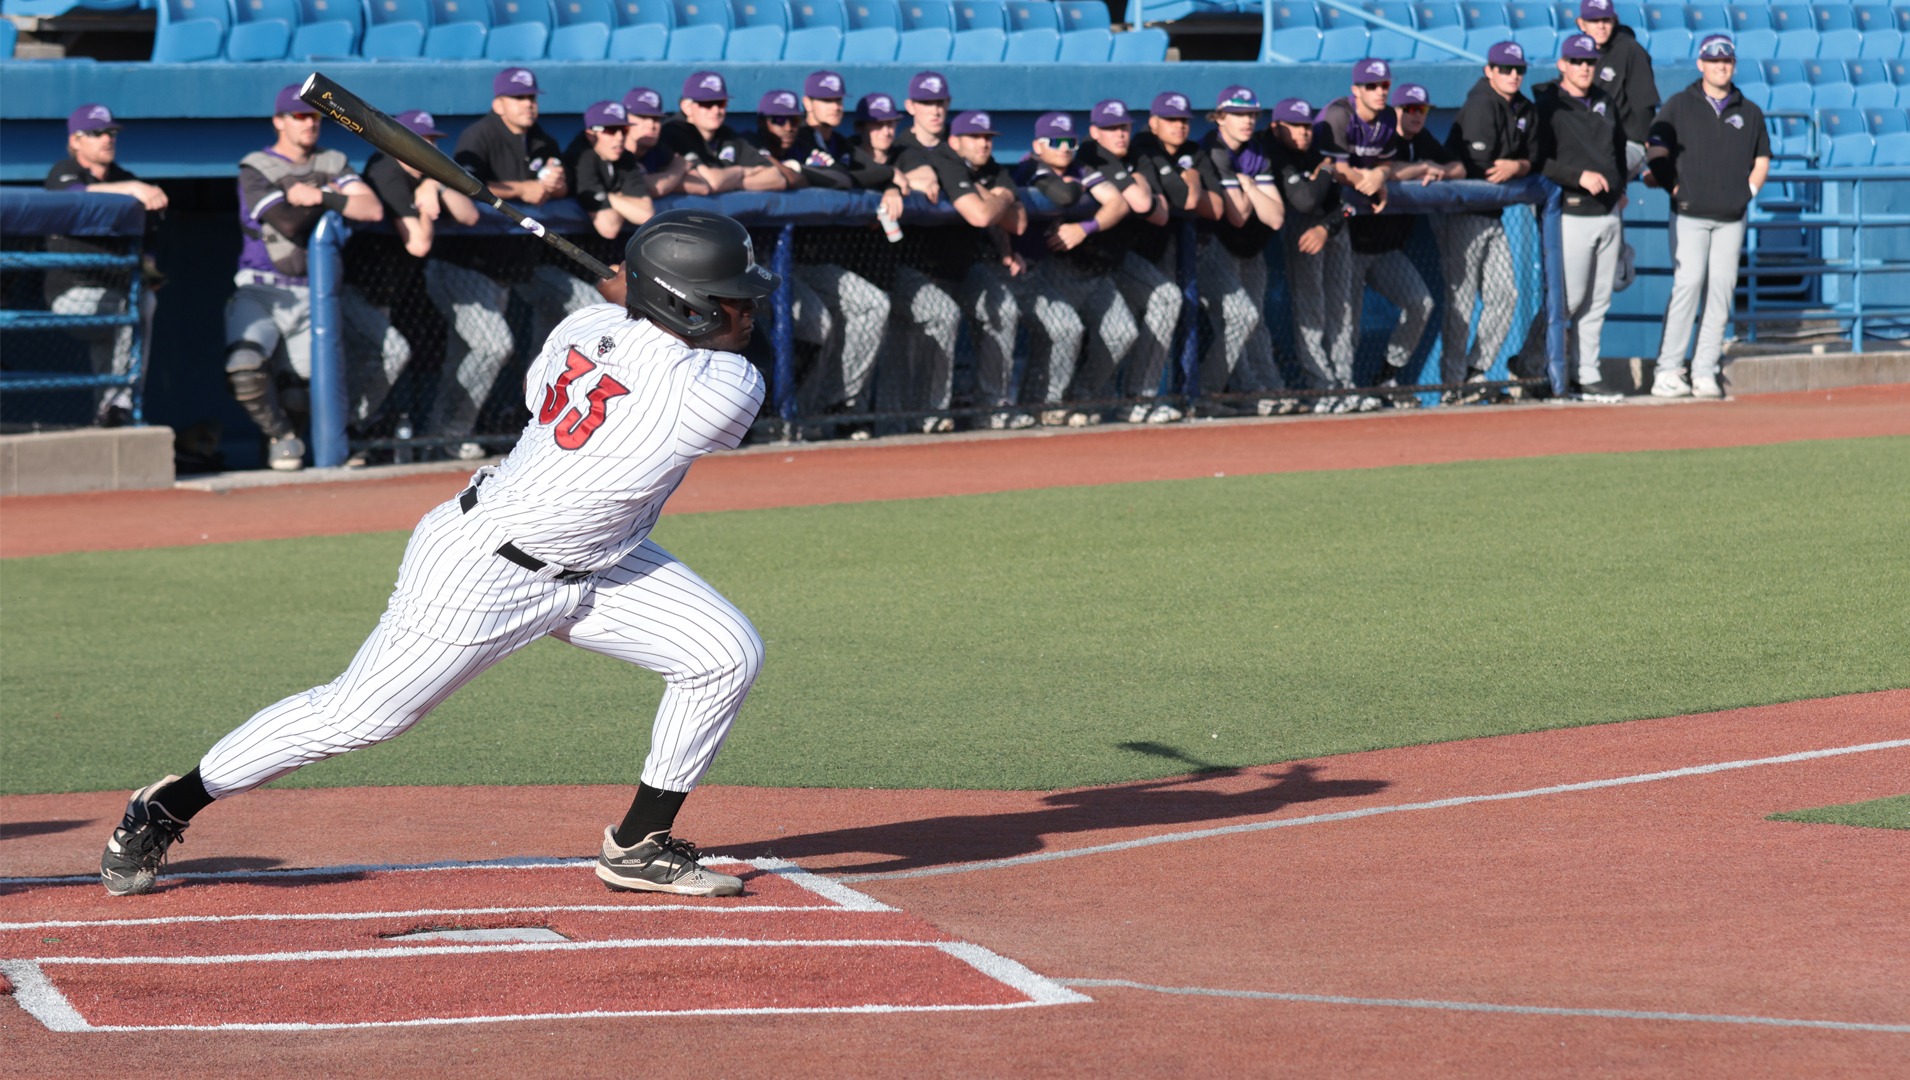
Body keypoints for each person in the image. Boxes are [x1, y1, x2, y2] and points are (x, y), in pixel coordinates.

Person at [101, 210, 779, 902]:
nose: (752, 307)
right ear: (683, 304)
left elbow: (584, 362)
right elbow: (682, 369)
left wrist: (624, 305)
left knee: (722, 654)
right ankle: (167, 804)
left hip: (604, 558)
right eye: (733, 295)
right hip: (486, 567)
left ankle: (638, 844)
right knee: (358, 717)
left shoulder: (578, 326)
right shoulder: (723, 388)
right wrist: (629, 298)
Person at [438, 67, 597, 460]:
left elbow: (553, 181)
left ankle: (546, 417)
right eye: (519, 98)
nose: (529, 104)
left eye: (532, 97)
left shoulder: (540, 137)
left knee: (586, 308)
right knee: (491, 346)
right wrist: (521, 189)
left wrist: (557, 186)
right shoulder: (481, 135)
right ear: (499, 103)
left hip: (520, 268)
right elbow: (464, 184)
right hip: (466, 267)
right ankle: (447, 434)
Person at [225, 85, 383, 471]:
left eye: (314, 116)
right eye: (300, 116)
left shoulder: (333, 159)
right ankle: (281, 437)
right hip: (261, 286)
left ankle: (293, 449)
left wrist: (322, 196)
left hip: (312, 293)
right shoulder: (257, 167)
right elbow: (288, 223)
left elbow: (372, 208)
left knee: (303, 390)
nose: (310, 123)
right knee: (244, 366)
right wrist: (329, 193)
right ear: (279, 121)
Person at [752, 83, 891, 437]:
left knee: (874, 305)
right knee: (816, 324)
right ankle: (774, 413)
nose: (785, 127)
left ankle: (834, 406)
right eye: (778, 120)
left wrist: (890, 181)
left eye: (791, 120)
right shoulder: (749, 145)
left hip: (811, 262)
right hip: (755, 265)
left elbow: (852, 175)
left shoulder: (822, 145)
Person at [340, 109, 481, 457]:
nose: (428, 149)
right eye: (420, 142)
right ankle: (347, 434)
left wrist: (435, 182)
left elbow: (470, 214)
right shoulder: (385, 167)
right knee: (390, 353)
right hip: (350, 289)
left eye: (432, 142)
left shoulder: (421, 176)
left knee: (373, 361)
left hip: (385, 292)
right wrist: (425, 202)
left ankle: (354, 434)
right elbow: (419, 243)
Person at [1646, 34, 1769, 400]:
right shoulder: (1680, 104)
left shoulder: (1749, 110)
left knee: (1720, 293)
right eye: (1714, 60)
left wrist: (1748, 192)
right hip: (1689, 214)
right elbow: (1657, 150)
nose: (1721, 66)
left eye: (1727, 61)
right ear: (1700, 64)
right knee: (1687, 286)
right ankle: (1668, 370)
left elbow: (1762, 158)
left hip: (1731, 216)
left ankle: (1704, 369)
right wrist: (1674, 188)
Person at [42, 104, 167, 428]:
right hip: (72, 297)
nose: (107, 139)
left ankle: (112, 414)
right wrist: (134, 190)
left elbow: (151, 230)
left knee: (136, 308)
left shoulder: (124, 178)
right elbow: (73, 197)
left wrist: (148, 266)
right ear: (76, 140)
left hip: (115, 293)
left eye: (110, 133)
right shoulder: (63, 170)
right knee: (132, 306)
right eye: (97, 133)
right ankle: (120, 400)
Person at [1011, 111, 1138, 426]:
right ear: (1038, 145)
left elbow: (1119, 203)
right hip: (1015, 269)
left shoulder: (1079, 167)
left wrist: (1086, 227)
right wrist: (1077, 189)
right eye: (1056, 141)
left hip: (1053, 268)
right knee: (1064, 329)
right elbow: (1063, 195)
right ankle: (1043, 404)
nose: (1065, 147)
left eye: (1070, 141)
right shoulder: (1029, 167)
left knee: (1122, 332)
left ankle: (1080, 397)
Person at [853, 92, 963, 434]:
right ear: (862, 127)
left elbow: (928, 181)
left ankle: (929, 413)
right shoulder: (851, 152)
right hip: (845, 264)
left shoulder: (904, 151)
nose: (886, 131)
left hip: (892, 268)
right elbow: (846, 175)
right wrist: (890, 180)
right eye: (878, 125)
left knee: (940, 315)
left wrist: (894, 183)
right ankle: (841, 416)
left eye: (890, 124)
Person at [1344, 83, 1458, 405]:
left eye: (1421, 109)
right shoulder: (1380, 134)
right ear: (1394, 110)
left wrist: (1440, 172)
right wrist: (1422, 168)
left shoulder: (1422, 139)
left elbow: (1459, 167)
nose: (1416, 115)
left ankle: (1386, 375)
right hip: (1351, 246)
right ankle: (1342, 388)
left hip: (1387, 250)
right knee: (1346, 323)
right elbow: (1381, 172)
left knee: (1420, 304)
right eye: (1409, 108)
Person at [916, 109, 1029, 428]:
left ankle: (993, 405)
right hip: (919, 267)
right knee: (942, 315)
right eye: (975, 137)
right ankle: (932, 412)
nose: (983, 144)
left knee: (1004, 308)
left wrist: (997, 194)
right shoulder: (944, 161)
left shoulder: (993, 171)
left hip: (964, 267)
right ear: (955, 141)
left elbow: (1018, 223)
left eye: (988, 138)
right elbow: (981, 216)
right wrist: (999, 199)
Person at [1535, 33, 1631, 402]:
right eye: (1576, 61)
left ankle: (1586, 373)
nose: (1584, 68)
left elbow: (1618, 151)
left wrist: (1621, 187)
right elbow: (1539, 159)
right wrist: (1578, 178)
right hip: (1571, 212)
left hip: (1608, 213)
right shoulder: (1548, 105)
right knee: (1568, 299)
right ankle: (1535, 365)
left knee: (1598, 301)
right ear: (1562, 65)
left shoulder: (1605, 101)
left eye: (1589, 62)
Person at [1440, 41, 1537, 401]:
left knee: (1505, 295)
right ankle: (1450, 383)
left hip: (1492, 217)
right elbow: (1482, 165)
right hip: (1462, 216)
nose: (1514, 75)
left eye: (1519, 69)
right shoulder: (1482, 103)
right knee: (1460, 303)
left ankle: (1473, 371)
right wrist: (1514, 164)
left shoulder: (1521, 106)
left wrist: (1519, 165)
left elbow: (1534, 156)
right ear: (1489, 71)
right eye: (1505, 69)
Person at [1084, 98, 1185, 424]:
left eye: (1124, 127)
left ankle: (1140, 398)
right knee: (1086, 332)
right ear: (1094, 132)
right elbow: (1144, 202)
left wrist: (1137, 184)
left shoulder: (1138, 155)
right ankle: (1084, 397)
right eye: (1111, 128)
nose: (1119, 134)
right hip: (1076, 260)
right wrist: (1139, 187)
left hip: (1119, 259)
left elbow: (1158, 213)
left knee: (1167, 297)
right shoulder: (1090, 153)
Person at [1193, 86, 1287, 415]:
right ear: (1220, 117)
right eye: (1238, 114)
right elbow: (1238, 215)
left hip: (1250, 249)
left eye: (1251, 114)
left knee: (1253, 319)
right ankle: (1211, 392)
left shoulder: (1256, 152)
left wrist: (1246, 185)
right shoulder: (1213, 150)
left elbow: (1275, 218)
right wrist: (1253, 189)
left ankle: (1261, 388)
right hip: (1208, 250)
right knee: (1239, 318)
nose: (1247, 121)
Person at [1128, 91, 1219, 417]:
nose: (1180, 126)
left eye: (1184, 120)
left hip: (1165, 252)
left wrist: (1189, 182)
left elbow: (1217, 207)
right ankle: (1132, 398)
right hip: (1127, 252)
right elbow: (1184, 200)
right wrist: (1193, 180)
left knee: (1163, 319)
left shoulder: (1194, 151)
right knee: (1120, 329)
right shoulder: (1142, 147)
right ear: (1153, 123)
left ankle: (1148, 397)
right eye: (1171, 120)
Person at [1265, 98, 1359, 413]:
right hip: (1301, 232)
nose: (1303, 133)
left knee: (1342, 310)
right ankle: (1321, 388)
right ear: (1277, 127)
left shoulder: (1317, 150)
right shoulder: (1277, 155)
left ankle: (1343, 386)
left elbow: (1345, 204)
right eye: (1294, 127)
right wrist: (1325, 174)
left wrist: (1327, 227)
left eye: (1306, 126)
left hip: (1330, 231)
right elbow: (1304, 201)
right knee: (1312, 311)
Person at [662, 71, 792, 193]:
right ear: (687, 107)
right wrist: (741, 171)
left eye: (721, 103)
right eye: (707, 104)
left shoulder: (727, 135)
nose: (716, 110)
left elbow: (777, 178)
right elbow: (713, 182)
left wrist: (733, 183)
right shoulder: (674, 131)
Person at [1577, 0, 1659, 176]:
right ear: (1581, 24)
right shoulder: (1578, 54)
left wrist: (1650, 145)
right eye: (1594, 20)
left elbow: (1644, 106)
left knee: (1598, 172)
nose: (1601, 26)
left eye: (1606, 20)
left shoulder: (1630, 51)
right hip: (1589, 142)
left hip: (1627, 142)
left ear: (1614, 20)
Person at [565, 100, 655, 241]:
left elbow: (646, 213)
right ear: (590, 134)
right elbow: (609, 227)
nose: (619, 138)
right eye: (611, 130)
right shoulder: (580, 158)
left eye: (624, 130)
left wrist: (609, 197)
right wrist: (619, 197)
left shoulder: (624, 156)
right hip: (566, 249)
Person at [621, 87, 693, 197]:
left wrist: (667, 181)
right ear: (625, 119)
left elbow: (702, 186)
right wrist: (679, 169)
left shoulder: (657, 149)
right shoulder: (616, 152)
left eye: (656, 119)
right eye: (642, 117)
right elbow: (655, 188)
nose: (651, 125)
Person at [895, 71, 952, 200]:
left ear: (948, 103)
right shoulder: (897, 149)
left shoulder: (963, 143)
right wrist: (906, 182)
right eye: (926, 103)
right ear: (910, 106)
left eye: (940, 102)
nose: (935, 111)